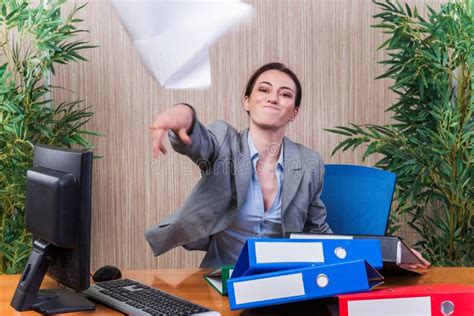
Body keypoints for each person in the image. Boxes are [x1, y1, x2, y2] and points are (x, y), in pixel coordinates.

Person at [146, 62, 430, 269]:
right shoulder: (224, 142)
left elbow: (320, 233)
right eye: (264, 89)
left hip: (283, 282)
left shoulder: (308, 163)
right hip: (220, 279)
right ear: (247, 101)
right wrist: (185, 115)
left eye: (285, 94)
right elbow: (197, 142)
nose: (273, 97)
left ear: (294, 112)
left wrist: (390, 255)